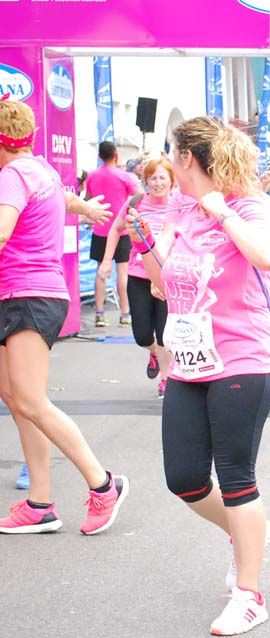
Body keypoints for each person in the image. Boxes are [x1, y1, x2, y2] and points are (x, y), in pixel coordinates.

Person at [129, 116, 270, 635]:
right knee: (186, 479)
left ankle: (249, 594)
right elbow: (166, 287)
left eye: (174, 155)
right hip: (191, 361)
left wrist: (222, 214)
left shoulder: (249, 203)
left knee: (237, 479)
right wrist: (146, 243)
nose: (170, 165)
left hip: (243, 357)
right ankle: (249, 534)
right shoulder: (180, 208)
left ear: (188, 159)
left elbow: (266, 257)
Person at [0, 94, 129, 536]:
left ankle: (103, 484)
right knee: (19, 402)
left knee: (32, 401)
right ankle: (39, 504)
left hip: (27, 295)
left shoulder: (12, 176)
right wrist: (87, 208)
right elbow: (64, 200)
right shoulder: (39, 171)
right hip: (26, 295)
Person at [100, 158, 185, 398]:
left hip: (167, 277)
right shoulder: (135, 203)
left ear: (171, 181)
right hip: (138, 275)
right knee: (142, 334)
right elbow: (116, 229)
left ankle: (166, 379)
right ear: (145, 181)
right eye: (152, 178)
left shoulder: (180, 205)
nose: (157, 183)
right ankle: (154, 353)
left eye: (162, 178)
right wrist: (107, 261)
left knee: (164, 332)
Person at [87, 140, 139, 327]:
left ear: (100, 155)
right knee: (122, 272)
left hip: (101, 227)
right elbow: (139, 196)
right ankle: (125, 314)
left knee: (101, 270)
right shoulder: (124, 176)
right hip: (122, 229)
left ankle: (99, 314)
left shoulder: (92, 176)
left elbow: (89, 199)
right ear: (115, 154)